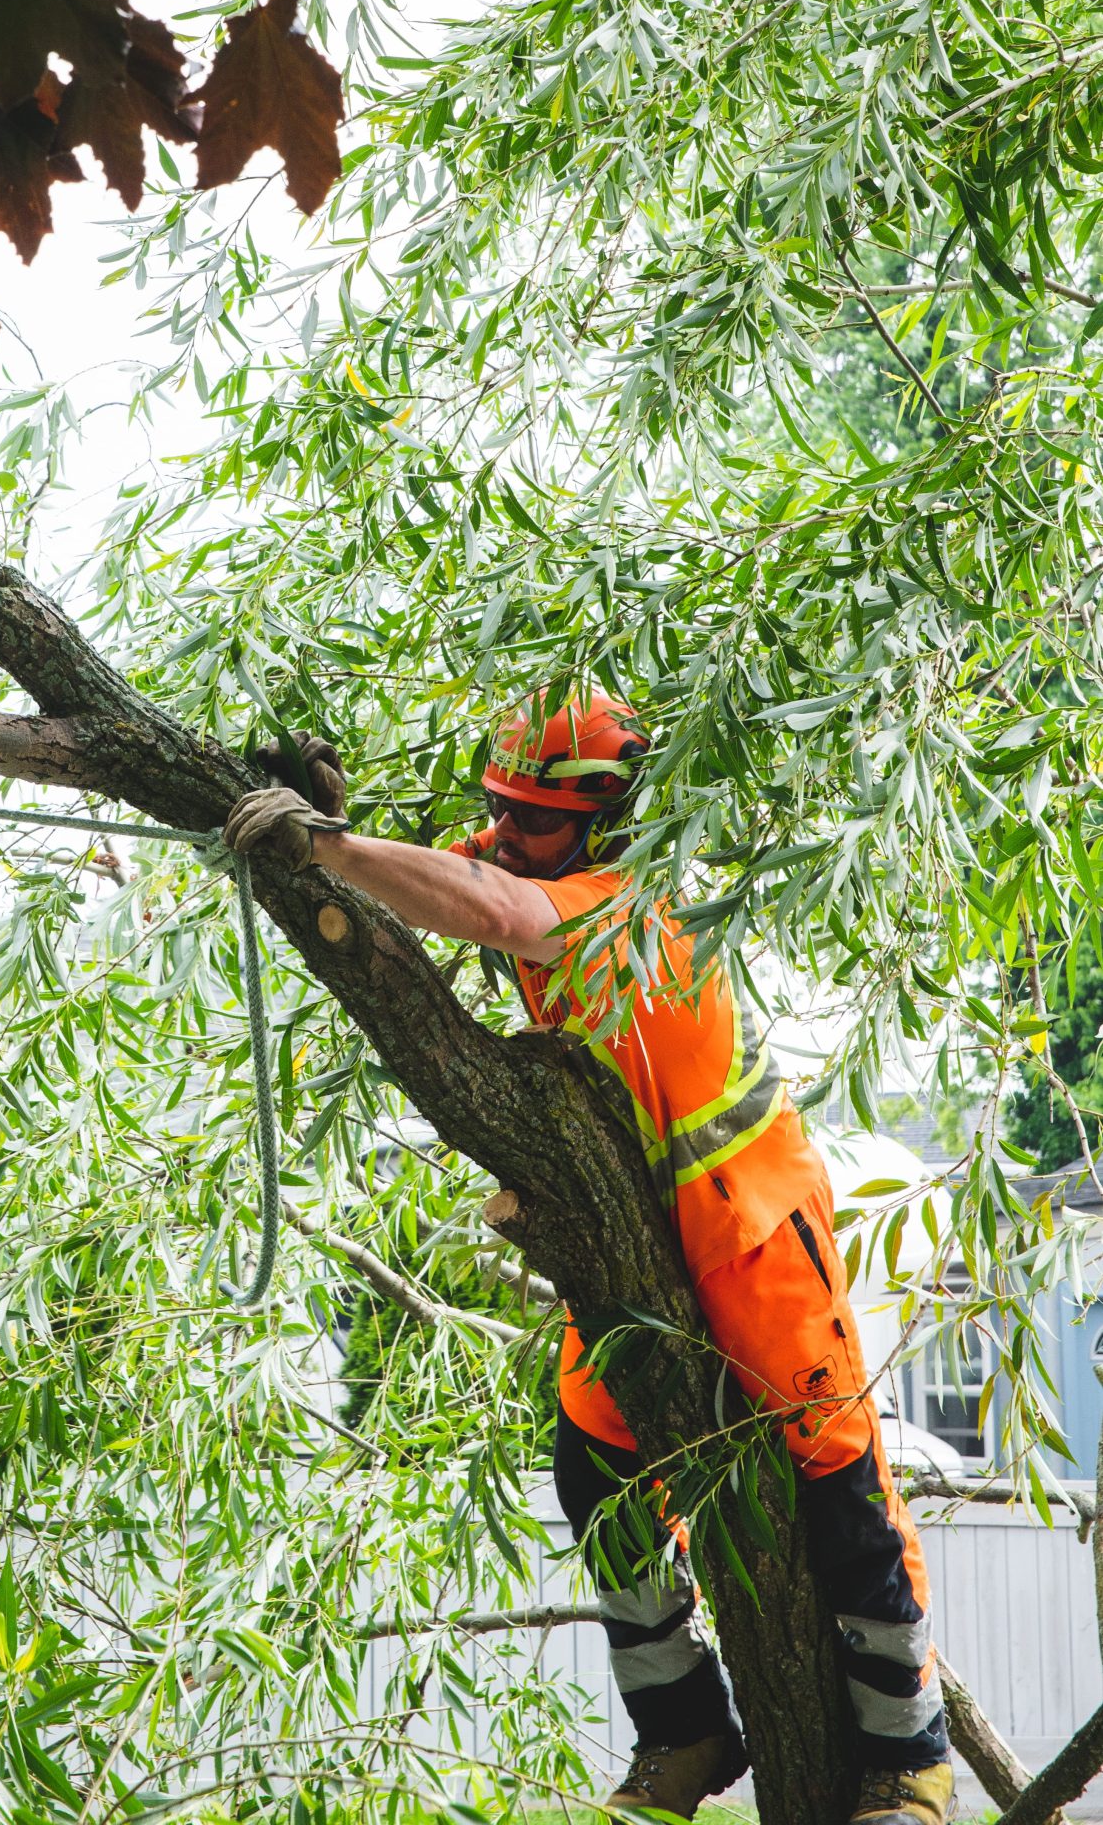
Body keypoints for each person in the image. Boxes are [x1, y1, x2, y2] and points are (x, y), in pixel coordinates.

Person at [221, 692, 953, 1825]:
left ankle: (908, 1758)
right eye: (499, 810)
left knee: (836, 1480)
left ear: (602, 823)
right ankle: (686, 1731)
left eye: (533, 817)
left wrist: (326, 845)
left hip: (747, 1221)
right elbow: (455, 875)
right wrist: (336, 835)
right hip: (638, 1236)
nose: (505, 831)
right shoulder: (541, 853)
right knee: (592, 1470)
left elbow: (499, 909)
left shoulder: (627, 897)